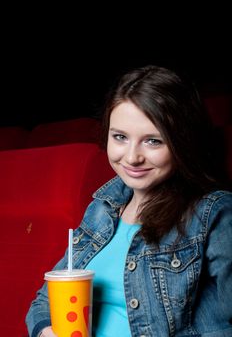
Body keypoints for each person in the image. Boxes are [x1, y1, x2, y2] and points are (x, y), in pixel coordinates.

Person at [26, 65, 232, 337]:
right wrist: (45, 332)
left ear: (182, 141)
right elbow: (46, 299)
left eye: (153, 141)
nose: (132, 157)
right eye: (120, 137)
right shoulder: (102, 208)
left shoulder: (213, 214)